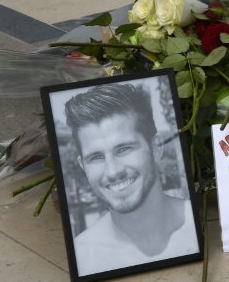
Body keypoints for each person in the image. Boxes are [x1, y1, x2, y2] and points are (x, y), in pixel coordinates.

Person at [65, 83, 199, 276]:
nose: (112, 172)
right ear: (82, 165)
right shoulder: (84, 254)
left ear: (156, 147)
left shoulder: (201, 228)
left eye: (124, 149)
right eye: (96, 157)